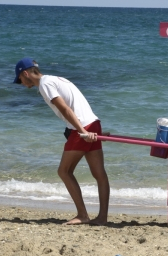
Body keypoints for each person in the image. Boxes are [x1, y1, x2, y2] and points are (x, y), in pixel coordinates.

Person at [14, 57, 110, 225]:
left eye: (20, 79)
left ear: (25, 73)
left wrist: (83, 131)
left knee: (64, 171)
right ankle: (102, 217)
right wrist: (92, 130)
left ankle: (82, 215)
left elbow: (65, 109)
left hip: (81, 127)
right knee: (99, 174)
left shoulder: (45, 84)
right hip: (93, 122)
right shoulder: (56, 79)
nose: (21, 83)